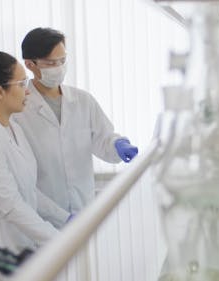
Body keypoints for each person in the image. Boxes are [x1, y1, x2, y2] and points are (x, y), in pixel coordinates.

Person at [0, 47, 72, 281]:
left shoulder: (13, 129)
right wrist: (56, 239)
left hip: (18, 243)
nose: (28, 92)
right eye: (21, 84)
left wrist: (64, 219)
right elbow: (10, 204)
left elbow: (28, 190)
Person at [14, 27, 138, 215]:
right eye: (51, 62)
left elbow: (103, 139)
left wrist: (118, 144)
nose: (59, 67)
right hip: (42, 214)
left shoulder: (82, 101)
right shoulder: (19, 109)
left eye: (63, 60)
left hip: (83, 208)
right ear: (30, 64)